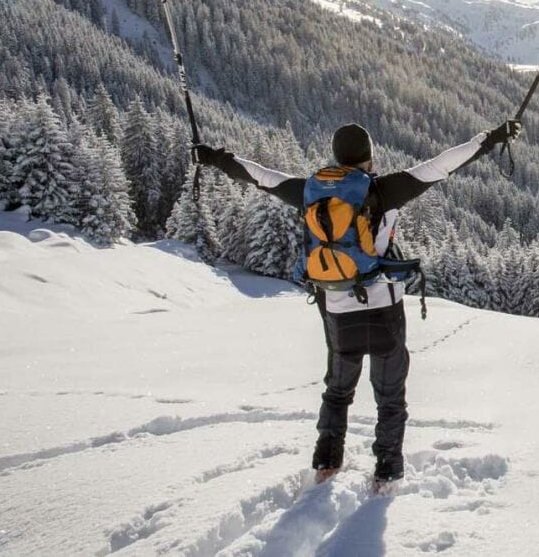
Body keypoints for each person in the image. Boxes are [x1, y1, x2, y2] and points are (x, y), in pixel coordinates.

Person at [194, 118, 520, 492]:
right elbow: (442, 164)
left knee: (337, 392)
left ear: (337, 157)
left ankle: (326, 463)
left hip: (337, 311)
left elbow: (259, 175)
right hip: (384, 310)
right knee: (390, 397)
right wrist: (492, 138)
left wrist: (212, 157)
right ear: (368, 157)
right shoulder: (384, 190)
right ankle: (386, 472)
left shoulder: (309, 191)